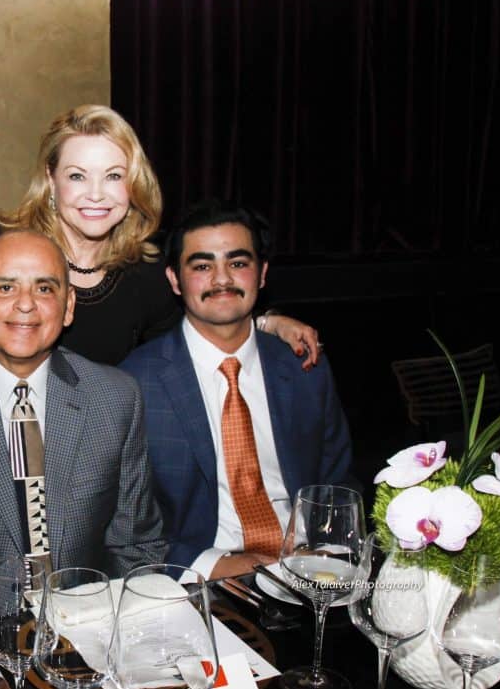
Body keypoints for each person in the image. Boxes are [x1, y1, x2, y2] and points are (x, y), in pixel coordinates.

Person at [0, 105, 320, 386]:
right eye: (77, 176)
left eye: (113, 176)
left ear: (133, 186)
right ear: (51, 182)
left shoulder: (144, 274)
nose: (95, 194)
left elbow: (191, 338)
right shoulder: (2, 253)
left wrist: (266, 320)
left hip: (87, 467)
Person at [0, 229, 166, 630]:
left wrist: (119, 629)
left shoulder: (116, 399)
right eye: (5, 287)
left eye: (44, 288)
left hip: (88, 627)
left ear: (68, 306)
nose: (25, 305)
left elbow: (137, 543)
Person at [119, 201, 355, 579]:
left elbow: (337, 481)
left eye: (238, 263)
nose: (222, 279)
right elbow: (126, 524)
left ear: (261, 274)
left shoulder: (303, 366)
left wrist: (323, 551)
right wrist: (215, 565)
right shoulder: (134, 383)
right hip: (204, 578)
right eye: (201, 266)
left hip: (308, 569)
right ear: (175, 279)